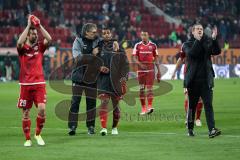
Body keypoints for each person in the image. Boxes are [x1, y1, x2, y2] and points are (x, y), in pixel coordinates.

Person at [17, 15, 52, 147]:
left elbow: (49, 39)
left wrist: (38, 25)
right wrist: (28, 25)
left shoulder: (40, 47)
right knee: (26, 113)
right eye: (32, 33)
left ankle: (38, 134)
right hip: (25, 84)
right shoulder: (22, 49)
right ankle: (27, 139)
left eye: (35, 33)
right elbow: (19, 42)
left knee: (42, 110)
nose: (35, 35)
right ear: (27, 35)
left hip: (39, 84)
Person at [182, 22, 221, 138]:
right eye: (197, 29)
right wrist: (198, 41)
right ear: (193, 31)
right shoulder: (186, 44)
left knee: (208, 105)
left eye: (201, 29)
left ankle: (212, 130)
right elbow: (192, 54)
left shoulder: (207, 42)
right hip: (193, 82)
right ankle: (190, 128)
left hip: (206, 81)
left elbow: (217, 51)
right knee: (192, 107)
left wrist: (214, 39)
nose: (200, 30)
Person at [68, 23, 100, 136]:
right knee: (75, 102)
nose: (95, 34)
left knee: (91, 103)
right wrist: (92, 54)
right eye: (93, 32)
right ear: (86, 32)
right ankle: (72, 126)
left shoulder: (98, 41)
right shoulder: (78, 41)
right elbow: (78, 59)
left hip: (92, 77)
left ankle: (91, 126)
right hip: (78, 77)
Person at [97, 27, 129, 136]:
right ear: (102, 35)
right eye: (104, 33)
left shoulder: (118, 47)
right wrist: (99, 68)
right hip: (103, 80)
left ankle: (114, 128)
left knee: (115, 105)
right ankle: (103, 128)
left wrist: (124, 77)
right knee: (104, 103)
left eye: (108, 33)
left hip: (116, 81)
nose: (106, 35)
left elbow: (125, 64)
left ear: (111, 34)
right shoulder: (98, 47)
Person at [171, 50, 203, 127]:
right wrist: (174, 72)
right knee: (187, 98)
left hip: (199, 76)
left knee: (200, 98)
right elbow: (180, 59)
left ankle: (198, 119)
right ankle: (188, 118)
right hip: (188, 76)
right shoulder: (186, 46)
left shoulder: (201, 45)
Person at [132, 31, 161, 115]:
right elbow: (134, 58)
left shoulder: (153, 45)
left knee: (150, 88)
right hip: (141, 71)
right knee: (141, 89)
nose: (143, 36)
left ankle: (149, 106)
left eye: (145, 35)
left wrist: (159, 71)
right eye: (142, 35)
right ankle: (143, 108)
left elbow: (156, 58)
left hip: (150, 70)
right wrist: (140, 64)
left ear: (148, 36)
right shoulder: (137, 45)